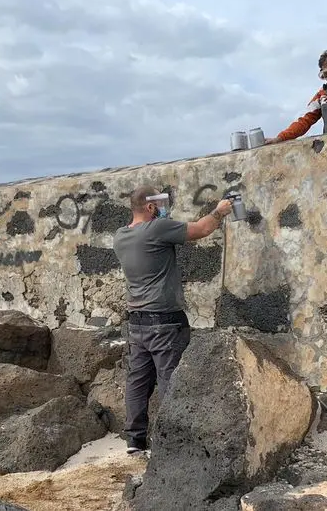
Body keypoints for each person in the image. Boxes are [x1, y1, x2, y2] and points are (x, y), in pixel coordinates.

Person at [112, 186, 233, 453]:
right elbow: (201, 229)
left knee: (138, 381)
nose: (166, 208)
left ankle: (135, 440)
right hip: (165, 321)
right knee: (170, 380)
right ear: (151, 207)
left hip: (136, 322)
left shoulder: (120, 236)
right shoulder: (156, 229)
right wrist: (220, 211)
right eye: (161, 203)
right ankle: (172, 443)